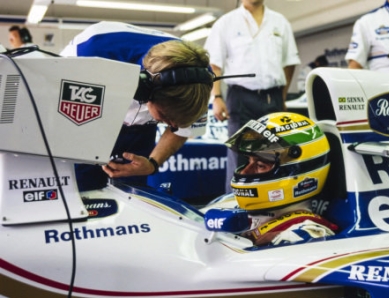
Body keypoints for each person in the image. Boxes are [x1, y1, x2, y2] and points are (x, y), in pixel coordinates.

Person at [60, 21, 213, 190]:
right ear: (143, 91)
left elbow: (183, 129)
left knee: (133, 195)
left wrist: (152, 164)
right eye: (164, 119)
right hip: (87, 122)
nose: (171, 126)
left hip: (141, 133)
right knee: (80, 191)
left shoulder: (199, 78)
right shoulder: (90, 54)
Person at [204, 0, 300, 193]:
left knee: (274, 156)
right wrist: (217, 97)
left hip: (273, 98)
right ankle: (234, 205)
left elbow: (289, 62)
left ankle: (273, 202)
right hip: (240, 98)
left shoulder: (279, 22)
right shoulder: (226, 23)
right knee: (240, 156)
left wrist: (282, 97)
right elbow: (214, 65)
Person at [214, 112, 338, 246]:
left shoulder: (305, 236)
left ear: (295, 171)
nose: (244, 171)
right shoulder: (227, 202)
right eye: (248, 161)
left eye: (260, 165)